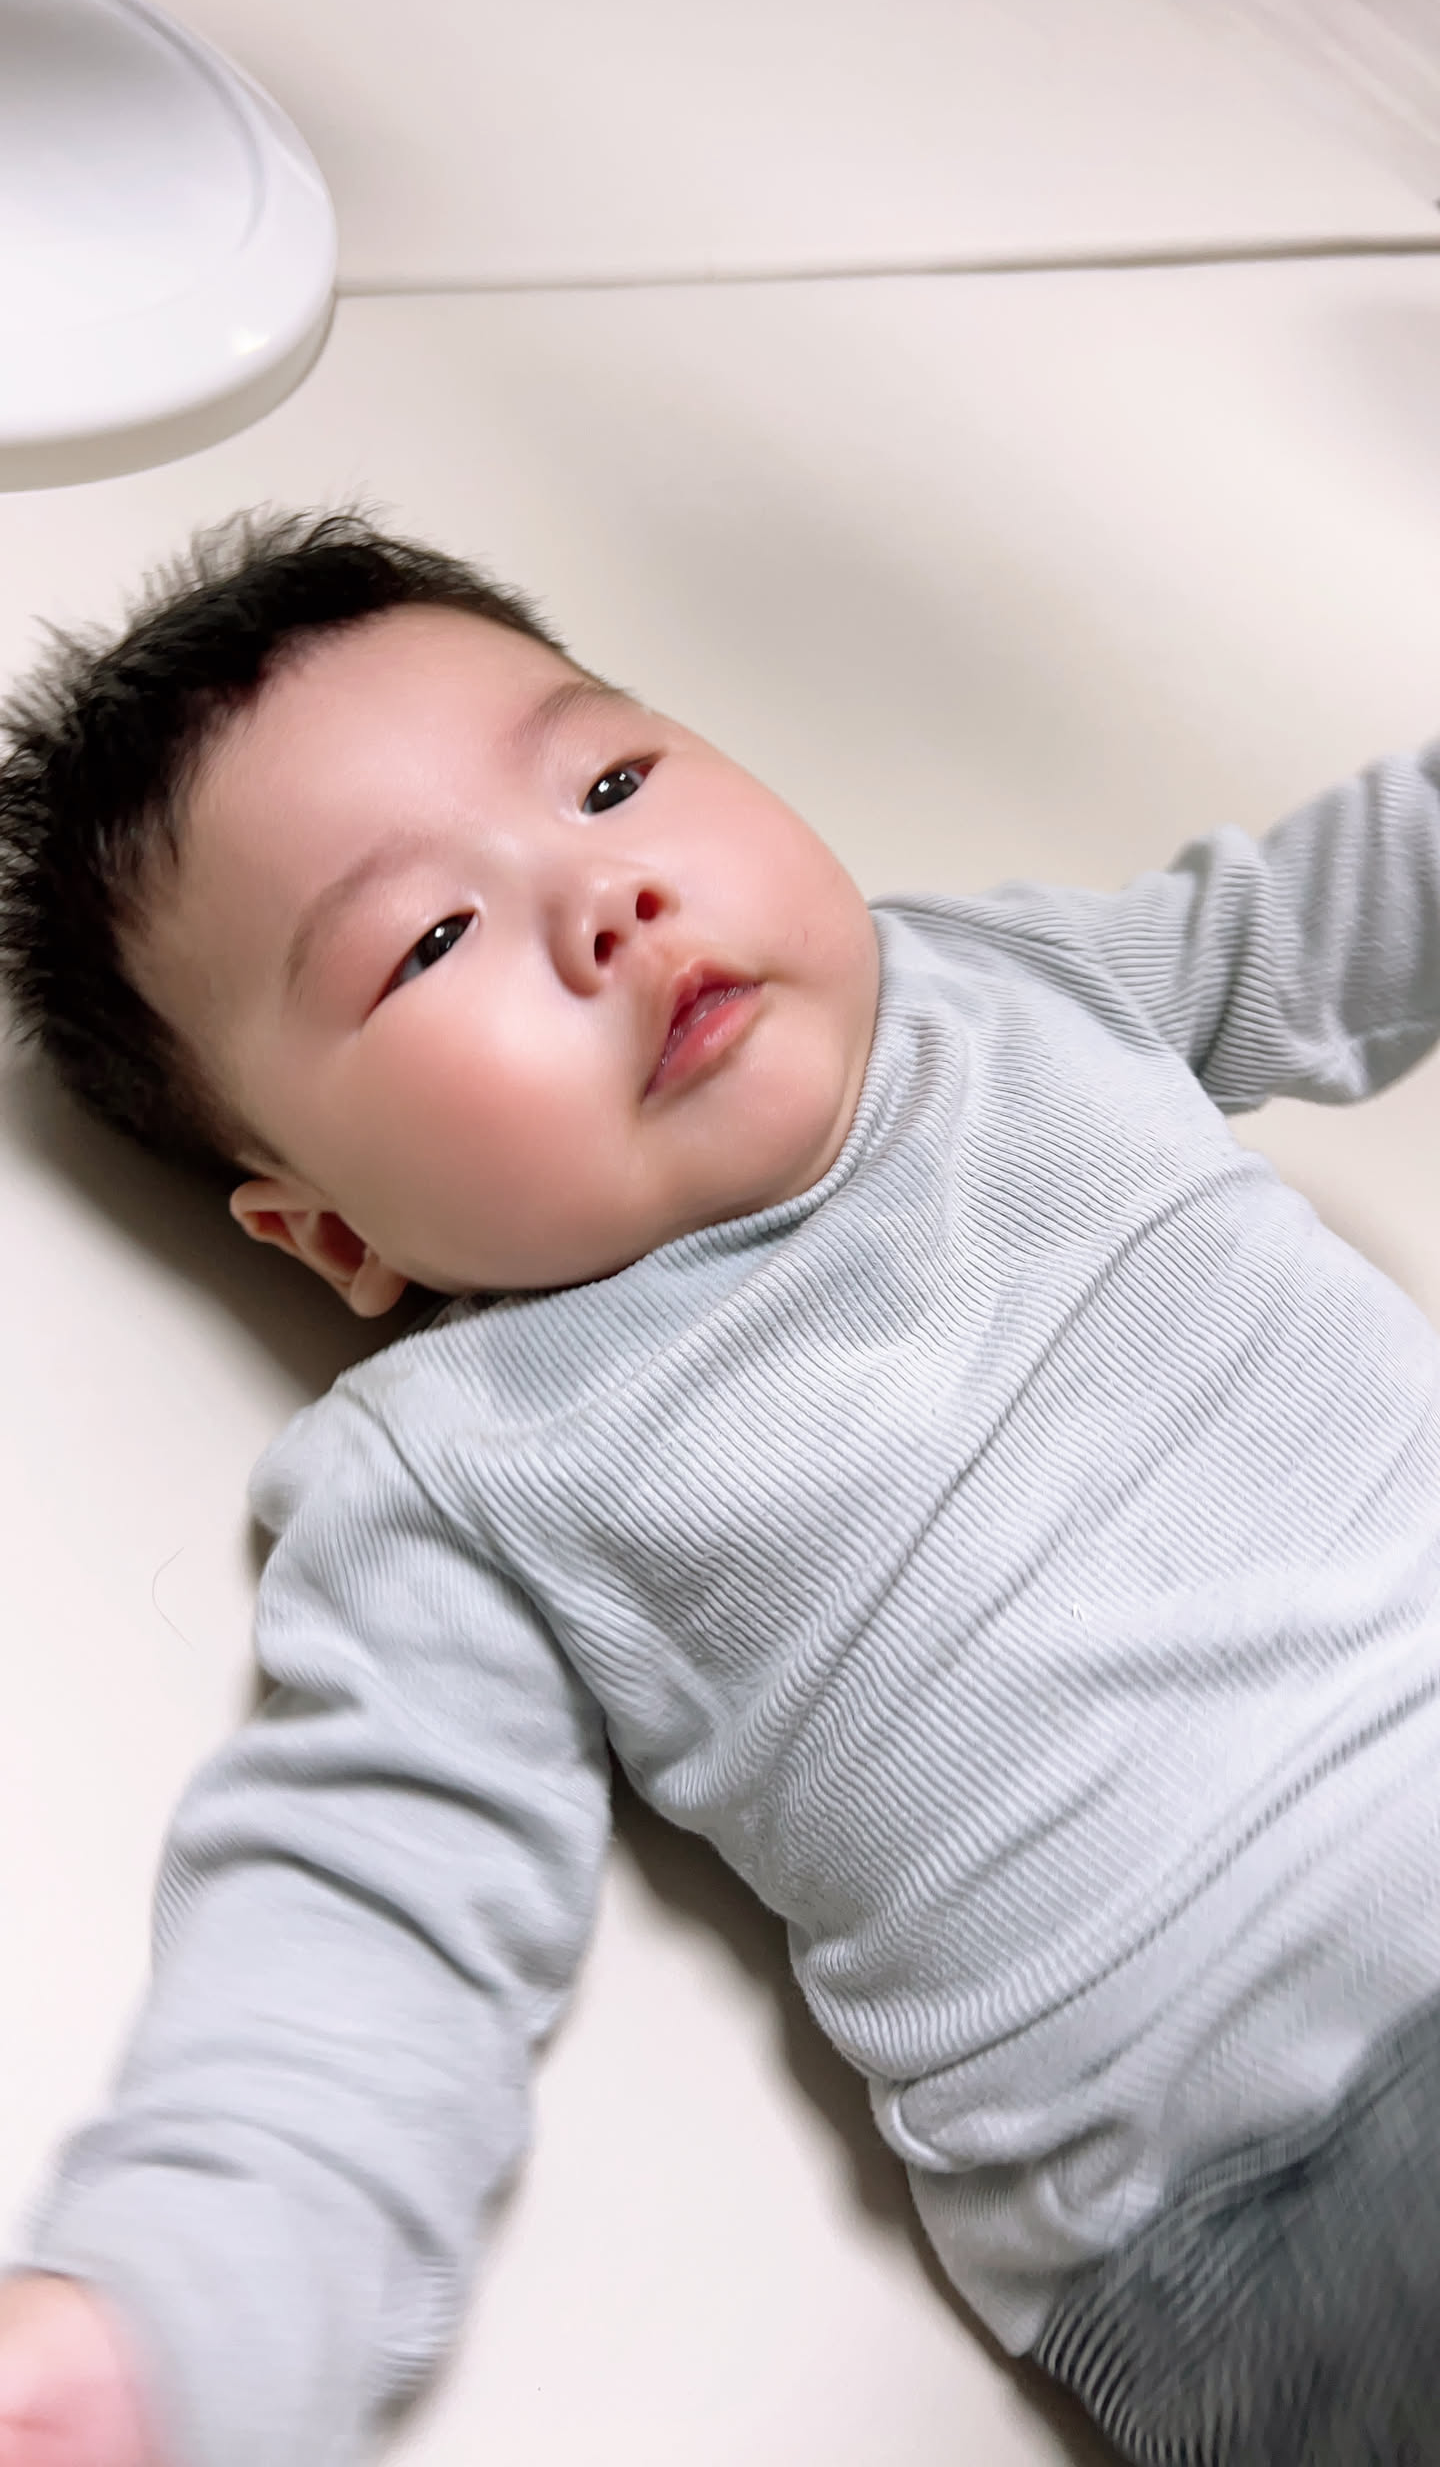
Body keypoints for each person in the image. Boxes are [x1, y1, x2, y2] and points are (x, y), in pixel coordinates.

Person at [1, 509, 1439, 2467]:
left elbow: (1347, 910)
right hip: (1296, 2161)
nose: (608, 899)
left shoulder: (1009, 987)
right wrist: (162, 2322)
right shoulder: (465, 1463)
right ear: (330, 1232)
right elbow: (365, 1911)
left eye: (608, 779)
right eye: (428, 942)